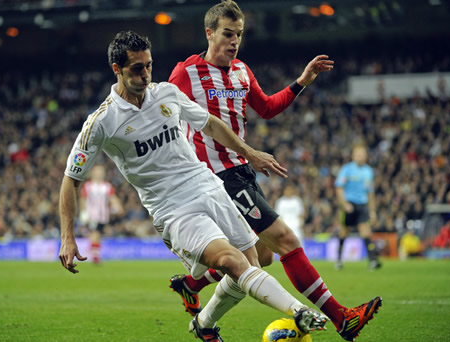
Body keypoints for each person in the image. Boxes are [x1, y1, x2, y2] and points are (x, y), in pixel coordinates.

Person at [58, 30, 328, 342]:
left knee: (250, 266)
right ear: (116, 69)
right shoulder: (102, 122)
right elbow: (71, 179)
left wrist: (249, 153)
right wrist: (67, 237)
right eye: (137, 68)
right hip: (172, 209)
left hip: (208, 186)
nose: (145, 74)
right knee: (231, 261)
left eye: (148, 65)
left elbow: (210, 124)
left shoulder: (166, 94)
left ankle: (204, 324)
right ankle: (299, 312)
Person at [167, 1, 381, 341]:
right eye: (227, 33)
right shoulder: (186, 73)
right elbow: (162, 111)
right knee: (285, 240)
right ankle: (342, 318)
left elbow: (266, 108)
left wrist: (301, 82)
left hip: (242, 172)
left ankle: (191, 286)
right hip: (218, 177)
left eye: (239, 34)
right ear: (209, 33)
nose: (234, 40)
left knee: (262, 255)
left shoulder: (241, 71)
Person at [335, 143, 382, 270]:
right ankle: (338, 260)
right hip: (349, 204)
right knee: (344, 232)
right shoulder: (347, 169)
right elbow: (339, 188)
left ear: (366, 156)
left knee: (366, 232)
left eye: (362, 154)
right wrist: (344, 204)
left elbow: (370, 193)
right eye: (358, 154)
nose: (360, 156)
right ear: (353, 155)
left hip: (362, 205)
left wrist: (372, 211)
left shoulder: (368, 171)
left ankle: (372, 260)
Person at [79, 164, 124, 264]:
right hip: (92, 215)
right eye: (97, 171)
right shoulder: (88, 186)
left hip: (103, 216)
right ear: (93, 173)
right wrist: (84, 212)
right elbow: (83, 199)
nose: (99, 174)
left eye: (101, 171)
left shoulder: (107, 186)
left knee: (98, 234)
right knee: (95, 233)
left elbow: (113, 198)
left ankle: (94, 253)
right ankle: (95, 257)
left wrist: (118, 207)